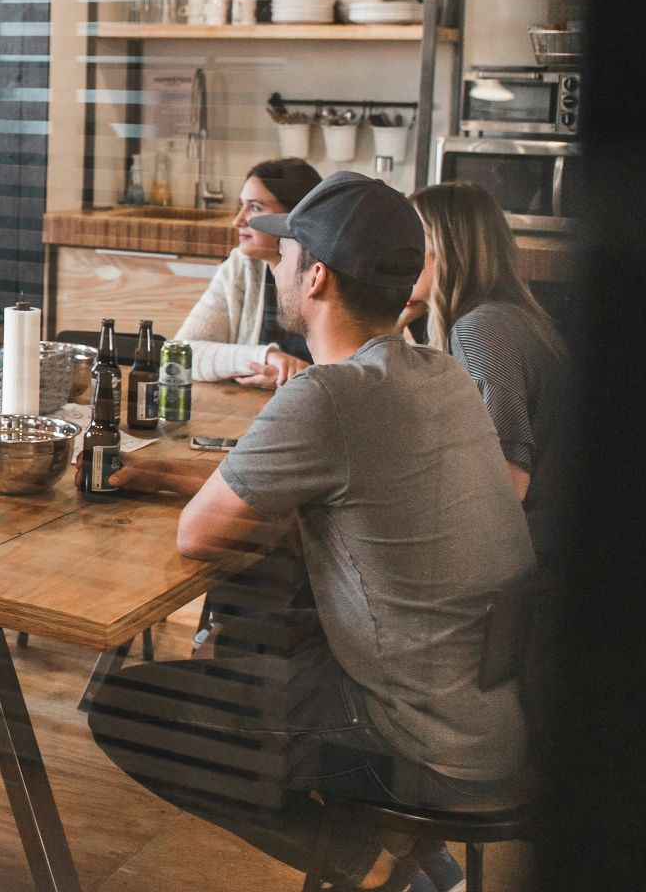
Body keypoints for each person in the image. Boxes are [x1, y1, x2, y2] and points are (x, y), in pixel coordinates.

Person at [86, 172, 537, 892]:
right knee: (263, 627)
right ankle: (404, 858)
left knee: (127, 710)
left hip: (415, 745)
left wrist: (181, 489)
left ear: (317, 277)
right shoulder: (436, 372)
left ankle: (372, 861)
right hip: (487, 717)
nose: (280, 264)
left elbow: (197, 538)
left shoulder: (328, 394)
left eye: (290, 252)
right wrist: (167, 477)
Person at [402, 182, 571, 561]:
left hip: (531, 563)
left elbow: (505, 485)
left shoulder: (482, 329)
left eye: (411, 240)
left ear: (444, 248)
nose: (399, 255)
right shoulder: (504, 316)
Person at [171, 158, 323, 388]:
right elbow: (181, 353)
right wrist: (267, 357)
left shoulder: (329, 275)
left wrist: (292, 378)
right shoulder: (241, 266)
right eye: (241, 205)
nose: (237, 220)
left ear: (294, 217)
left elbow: (352, 374)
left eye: (254, 207)